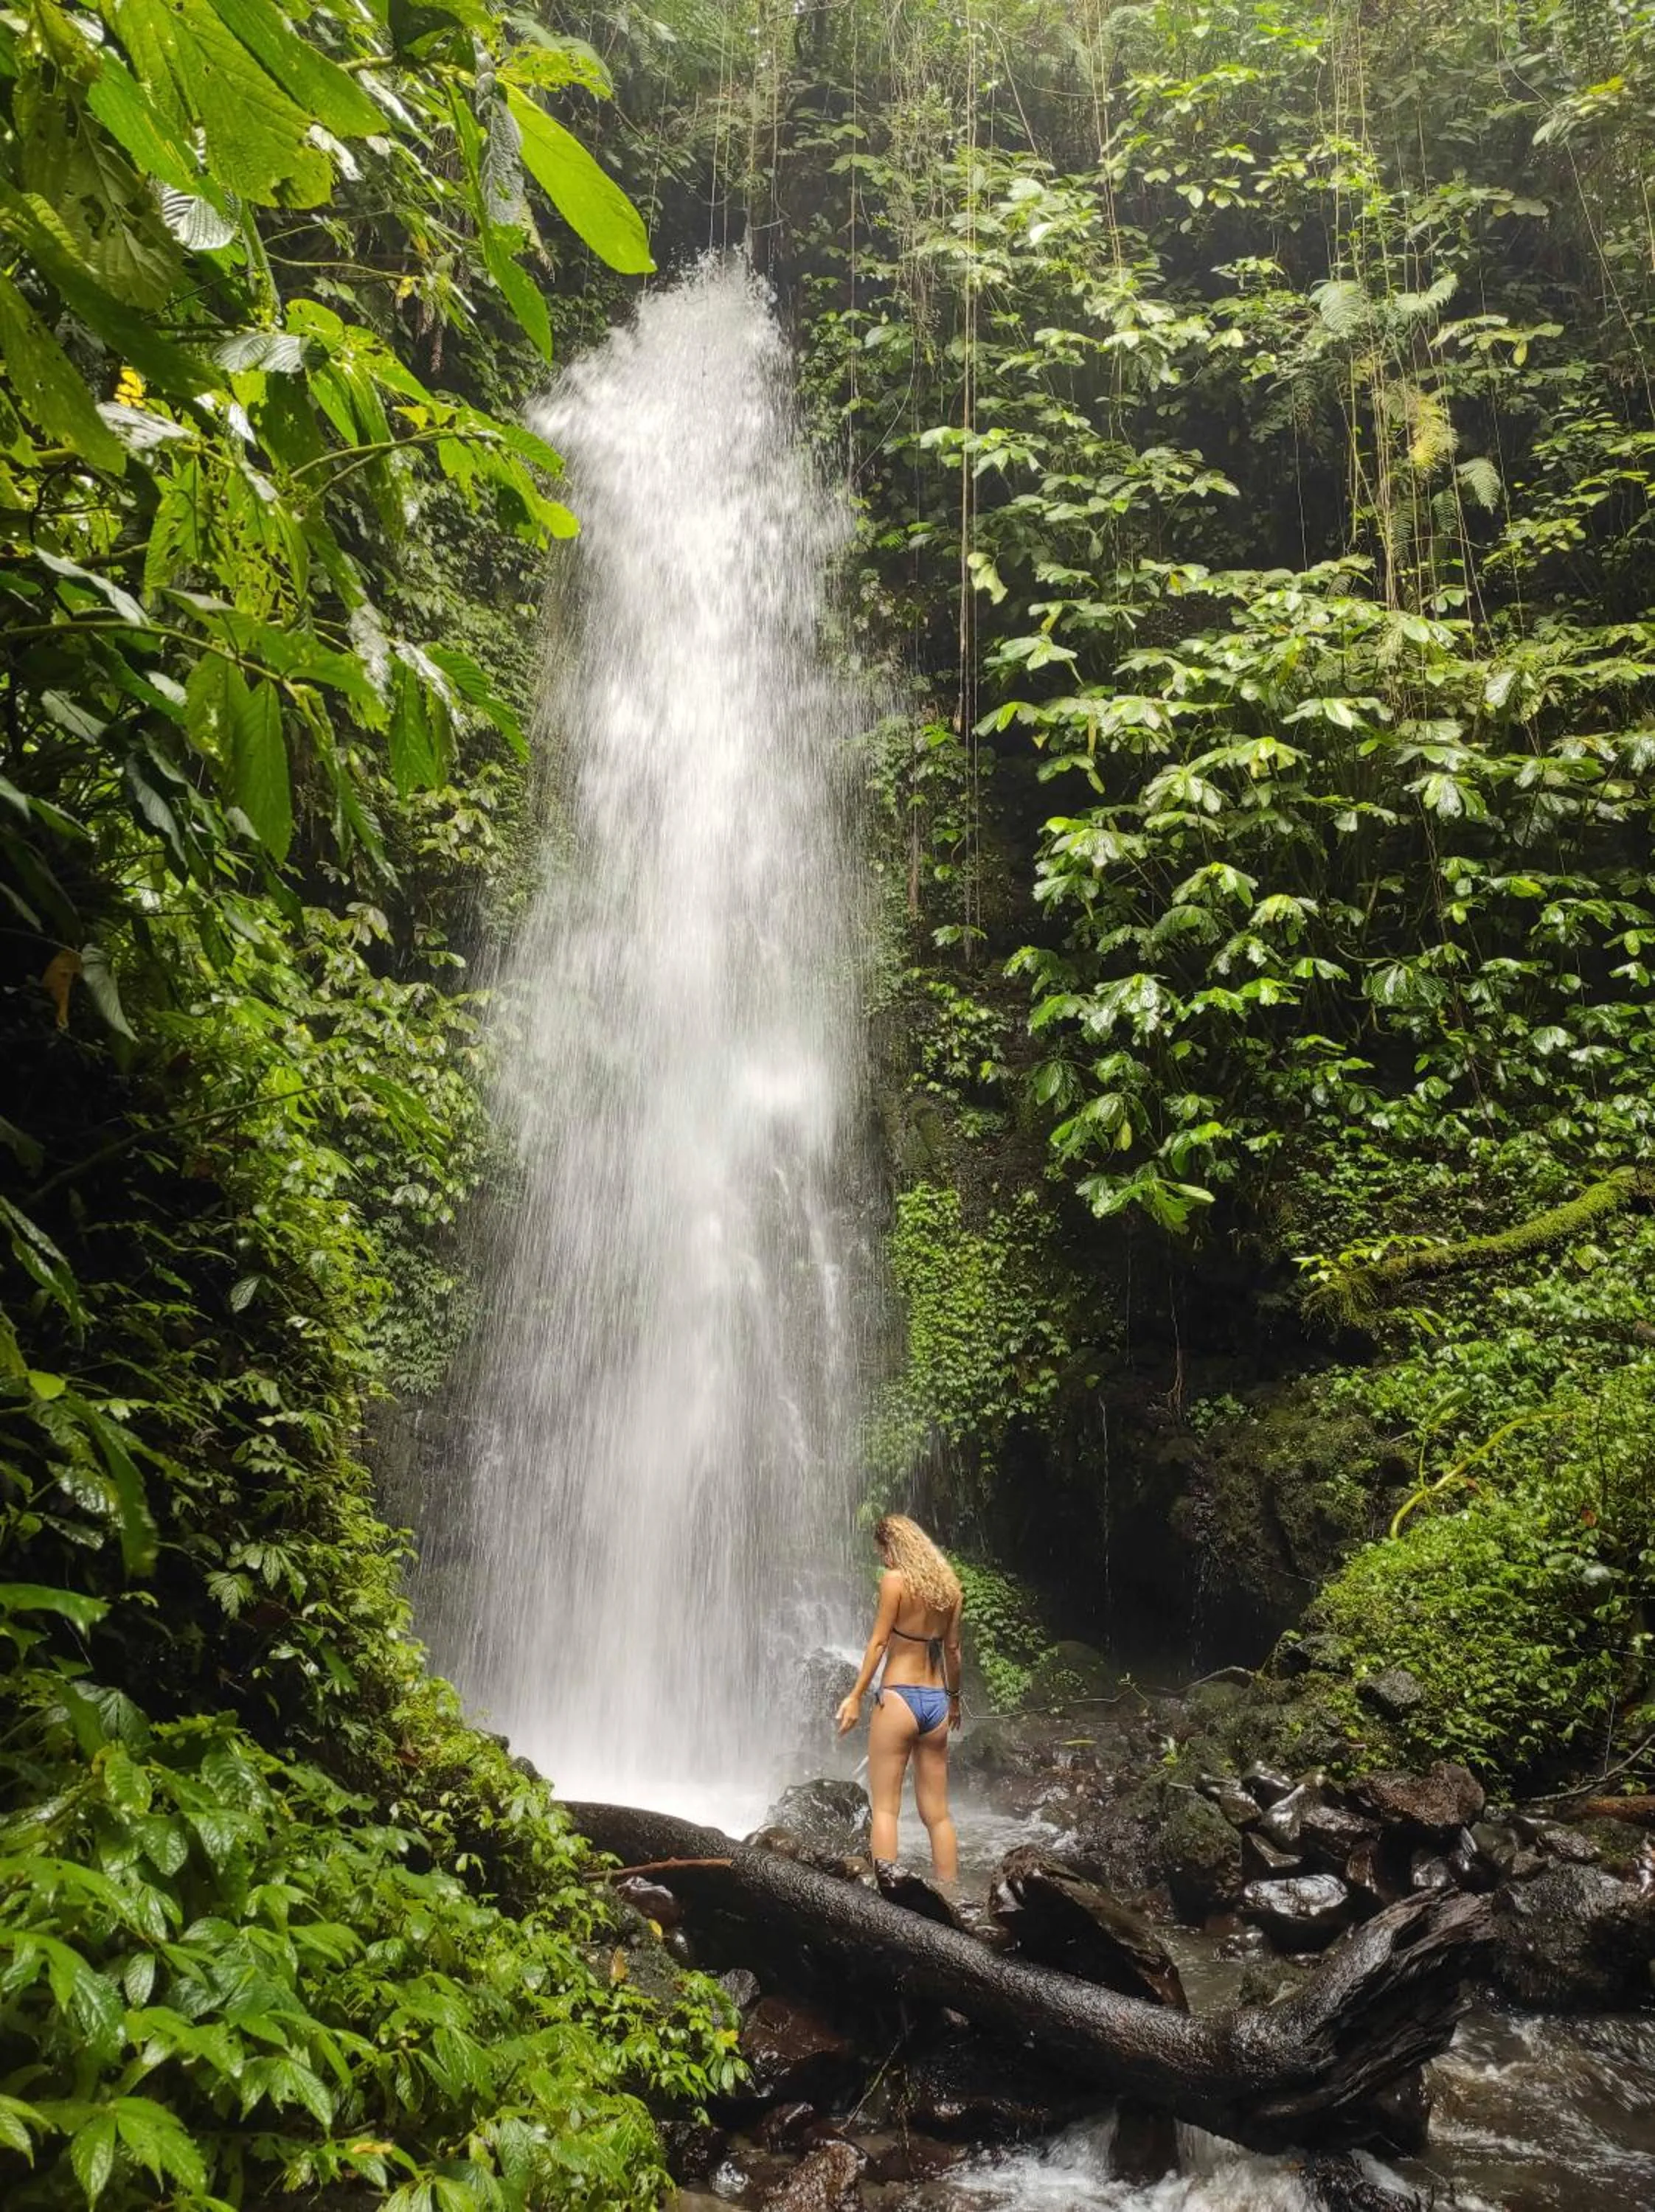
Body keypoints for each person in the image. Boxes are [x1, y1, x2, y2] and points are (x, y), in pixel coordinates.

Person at [834, 1513, 963, 1879]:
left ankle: (886, 1903)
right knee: (938, 1815)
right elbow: (953, 1651)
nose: (884, 1560)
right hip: (936, 1702)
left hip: (898, 1700)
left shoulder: (894, 1582)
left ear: (894, 1548)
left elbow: (878, 1643)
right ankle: (952, 1897)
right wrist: (954, 1700)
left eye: (883, 1552)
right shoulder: (950, 1589)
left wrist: (856, 1695)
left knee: (887, 1809)